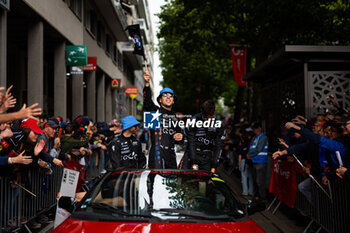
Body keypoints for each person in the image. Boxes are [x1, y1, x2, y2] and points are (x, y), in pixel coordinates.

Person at [143, 70, 183, 169]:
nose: (168, 97)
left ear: (173, 101)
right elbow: (147, 102)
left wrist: (180, 136)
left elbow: (180, 137)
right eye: (165, 95)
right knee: (156, 182)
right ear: (160, 100)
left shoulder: (175, 118)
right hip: (157, 155)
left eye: (171, 96)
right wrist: (147, 84)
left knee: (171, 183)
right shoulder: (155, 112)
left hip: (171, 156)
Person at [185, 100, 225, 173]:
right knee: (186, 179)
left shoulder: (219, 124)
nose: (208, 120)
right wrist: (193, 162)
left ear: (215, 111)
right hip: (192, 153)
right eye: (206, 117)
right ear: (201, 111)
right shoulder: (193, 121)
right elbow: (191, 141)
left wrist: (214, 165)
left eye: (211, 117)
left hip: (206, 156)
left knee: (204, 182)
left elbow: (219, 145)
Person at [248, 122, 268, 200]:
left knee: (260, 181)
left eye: (256, 128)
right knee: (256, 180)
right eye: (254, 129)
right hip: (255, 161)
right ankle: (258, 196)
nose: (255, 130)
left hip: (261, 161)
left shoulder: (263, 137)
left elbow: (259, 148)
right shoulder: (255, 137)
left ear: (260, 128)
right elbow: (252, 148)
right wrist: (249, 154)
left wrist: (250, 154)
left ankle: (262, 197)